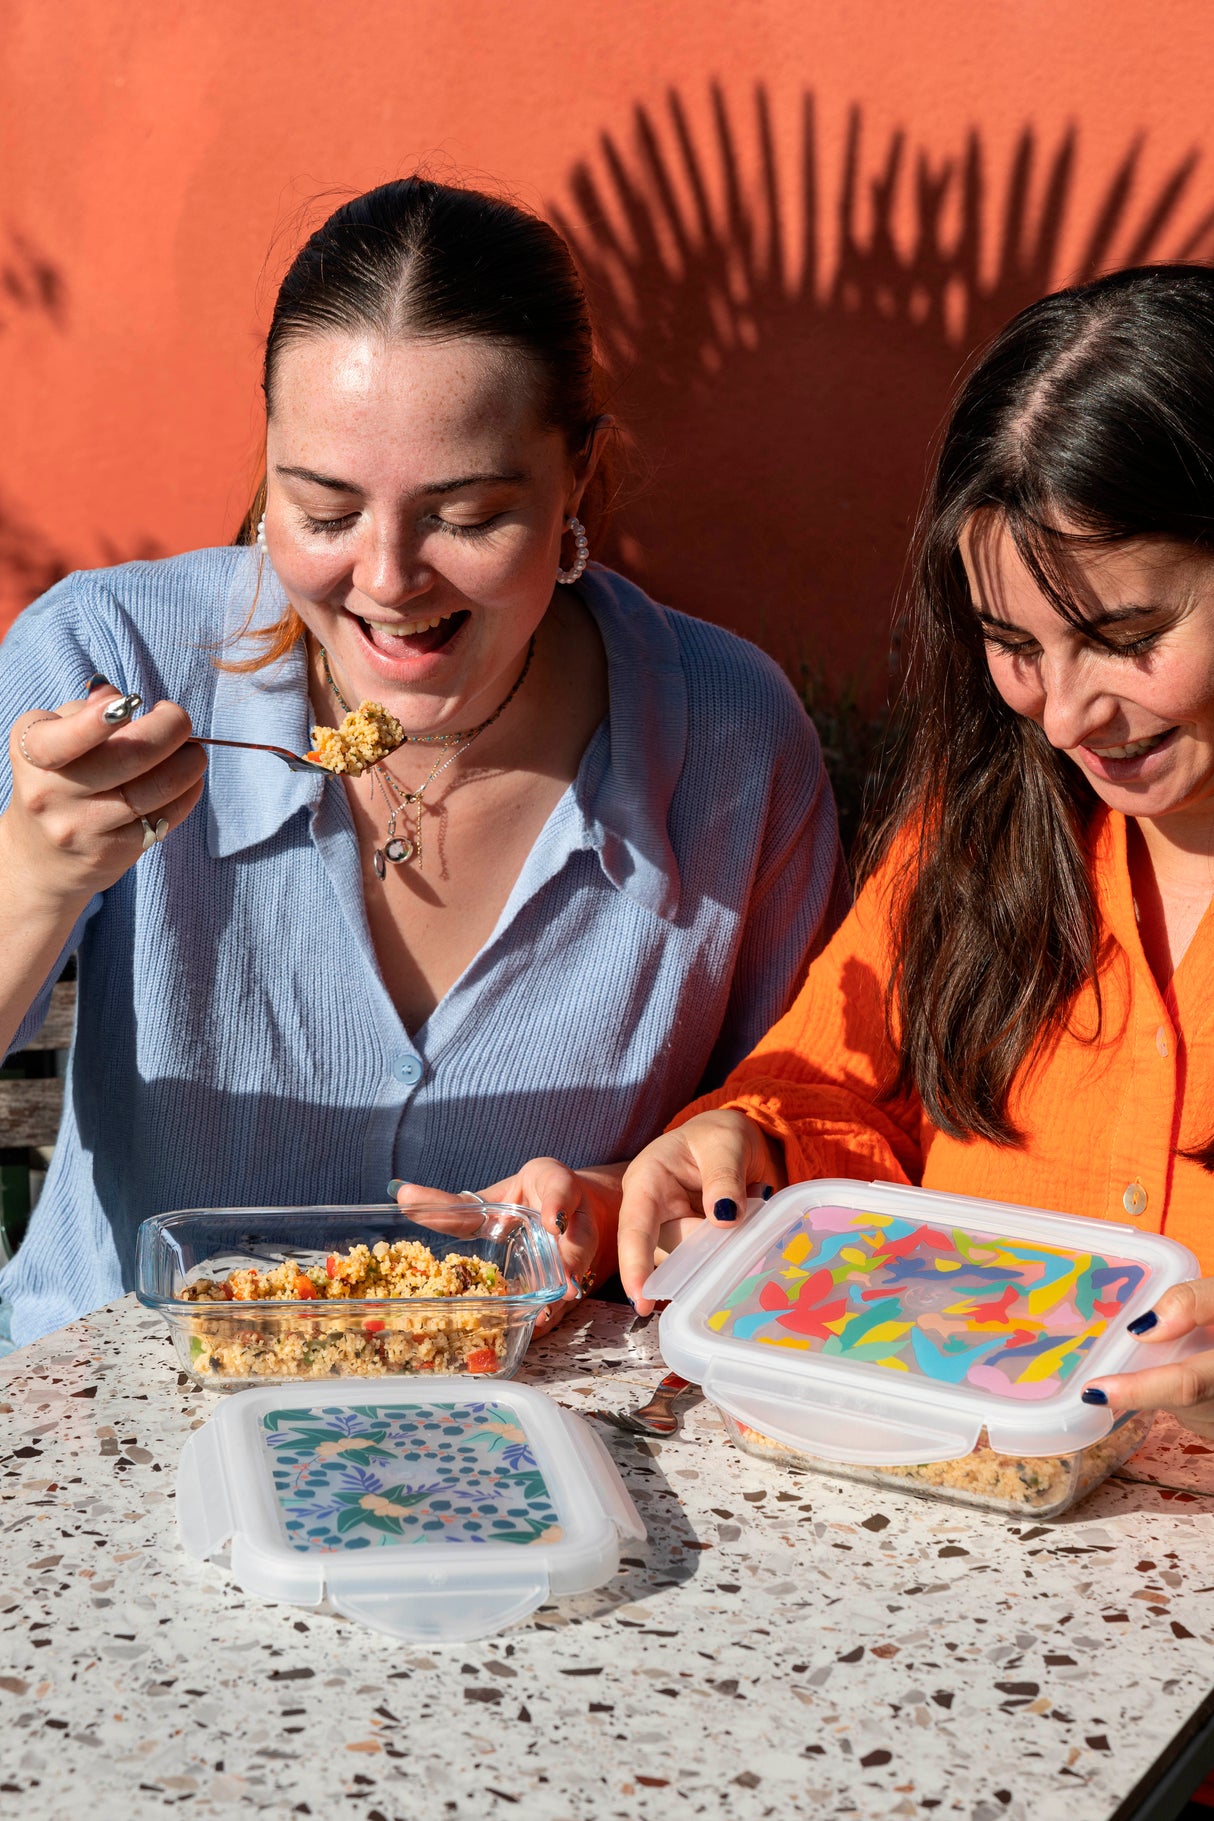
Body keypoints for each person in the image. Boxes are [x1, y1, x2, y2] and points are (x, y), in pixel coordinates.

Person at [0, 177, 845, 1348]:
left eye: (466, 515)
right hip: (124, 1415)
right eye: (324, 509)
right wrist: (32, 879)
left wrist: (612, 1206)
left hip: (527, 1426)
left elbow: (790, 1147)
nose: (388, 580)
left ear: (578, 479)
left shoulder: (727, 741)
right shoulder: (108, 654)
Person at [489, 264, 1214, 1436]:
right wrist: (735, 1159)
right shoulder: (968, 850)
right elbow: (834, 1105)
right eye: (1012, 645)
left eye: (1125, 637)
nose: (1065, 714)